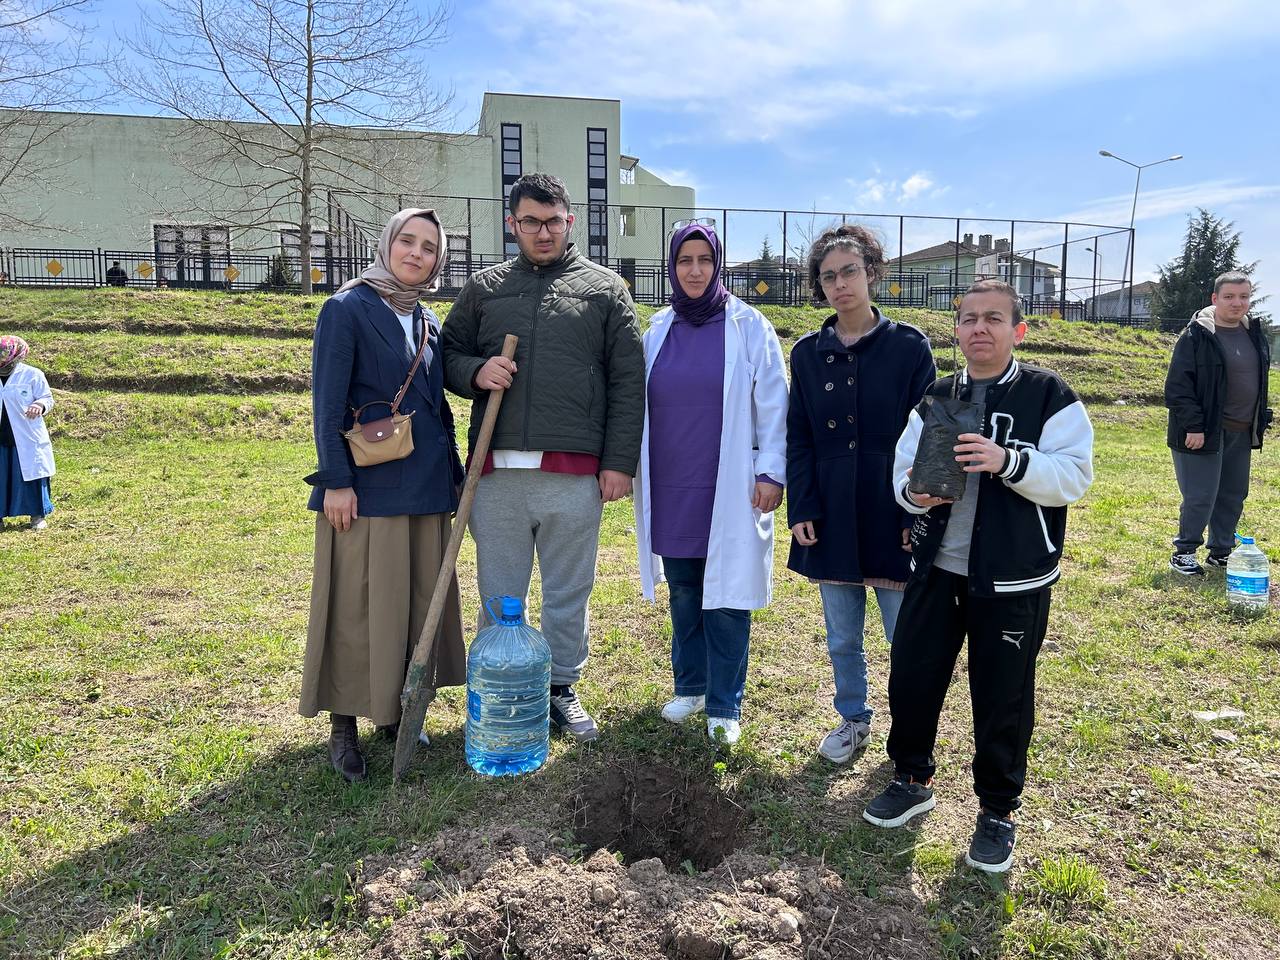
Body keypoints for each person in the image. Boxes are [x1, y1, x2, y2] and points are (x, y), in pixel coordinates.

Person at [862, 279, 1093, 874]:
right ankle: (912, 777)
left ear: (1018, 330)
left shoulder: (1050, 395)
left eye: (994, 318)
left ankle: (997, 811)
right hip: (937, 567)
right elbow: (901, 471)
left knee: (1003, 694)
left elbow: (1074, 477)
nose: (979, 328)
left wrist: (1007, 461)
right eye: (968, 318)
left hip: (1012, 578)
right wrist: (912, 496)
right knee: (913, 675)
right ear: (956, 330)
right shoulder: (937, 396)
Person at [442, 173, 645, 743]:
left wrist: (619, 462)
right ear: (512, 223)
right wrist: (476, 371)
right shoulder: (484, 289)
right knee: (499, 592)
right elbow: (448, 355)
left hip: (574, 472)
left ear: (570, 222)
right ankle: (502, 687)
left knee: (566, 591)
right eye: (530, 221)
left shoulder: (606, 290)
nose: (543, 232)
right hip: (498, 473)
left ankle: (560, 688)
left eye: (553, 221)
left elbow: (629, 382)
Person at [299, 208, 467, 783]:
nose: (416, 253)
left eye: (428, 247)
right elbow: (327, 403)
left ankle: (393, 714)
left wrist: (455, 473)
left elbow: (438, 403)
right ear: (387, 244)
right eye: (407, 241)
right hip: (365, 491)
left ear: (437, 261)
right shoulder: (347, 308)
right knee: (358, 606)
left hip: (424, 490)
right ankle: (344, 725)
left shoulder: (428, 321)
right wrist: (336, 481)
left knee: (414, 604)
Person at [632, 221, 788, 746]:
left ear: (717, 264)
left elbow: (773, 405)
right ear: (672, 267)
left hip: (730, 484)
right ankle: (691, 686)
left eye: (703, 260)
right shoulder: (657, 330)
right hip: (672, 484)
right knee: (683, 588)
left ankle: (725, 704)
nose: (694, 270)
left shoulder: (749, 326)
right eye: (684, 261)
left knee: (726, 598)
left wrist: (771, 471)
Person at [786, 225, 935, 763]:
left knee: (907, 636)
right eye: (828, 276)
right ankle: (853, 719)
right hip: (829, 510)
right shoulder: (806, 354)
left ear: (872, 272)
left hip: (892, 508)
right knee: (842, 635)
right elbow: (798, 435)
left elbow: (928, 434)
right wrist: (801, 504)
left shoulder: (908, 347)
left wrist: (914, 510)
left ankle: (911, 733)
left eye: (850, 271)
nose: (840, 284)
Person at [1164, 272, 1272, 575]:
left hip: (1241, 429)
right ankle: (1184, 552)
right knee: (1201, 496)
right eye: (1229, 296)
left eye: (1243, 297)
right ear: (1215, 299)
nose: (1237, 303)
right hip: (1203, 432)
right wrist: (1194, 427)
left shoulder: (1254, 333)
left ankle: (1221, 551)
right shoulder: (1197, 335)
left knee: (1233, 494)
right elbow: (1178, 388)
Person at [0, 336, 55, 531]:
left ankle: (37, 516)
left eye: (4, 354)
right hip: (1, 435)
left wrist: (38, 405)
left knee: (31, 475)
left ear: (15, 354)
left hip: (25, 436)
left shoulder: (32, 374)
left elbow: (47, 398)